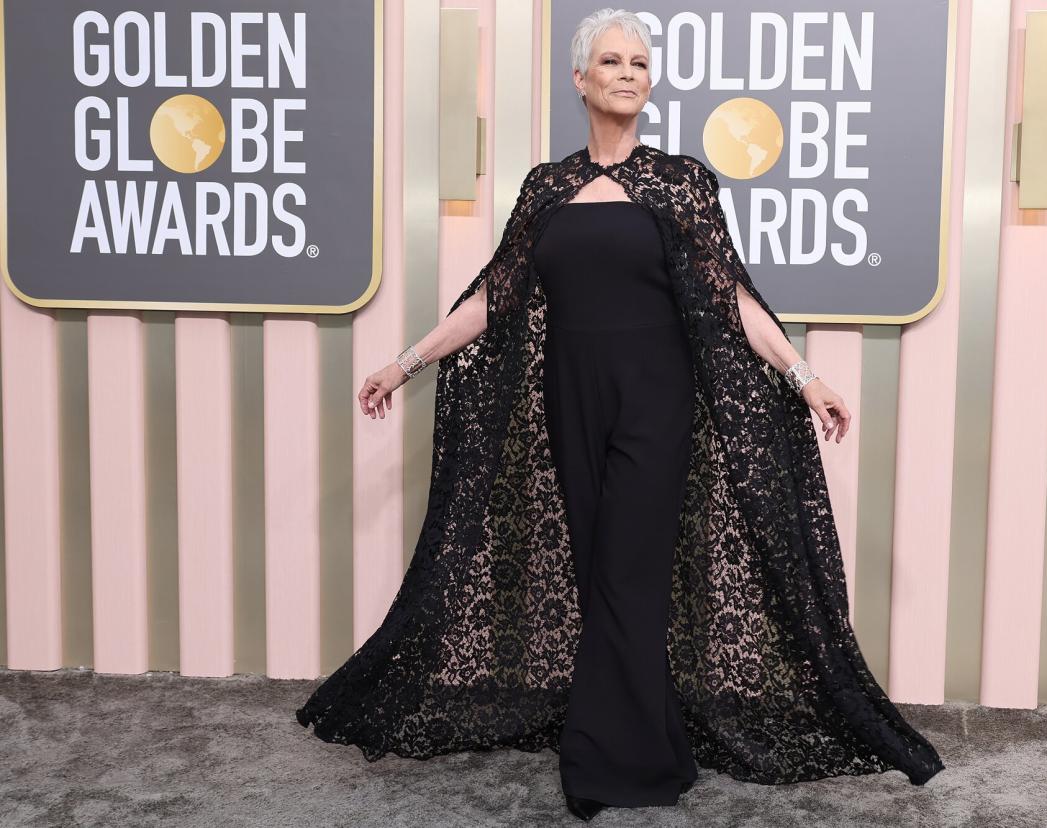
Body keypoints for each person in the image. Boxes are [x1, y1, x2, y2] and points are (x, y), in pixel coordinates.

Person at [296, 8, 945, 823]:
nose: (630, 72)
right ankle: (654, 739)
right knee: (599, 570)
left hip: (655, 405)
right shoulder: (547, 187)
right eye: (612, 60)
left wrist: (804, 375)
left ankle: (607, 759)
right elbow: (496, 297)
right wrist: (405, 362)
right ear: (582, 80)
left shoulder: (679, 182)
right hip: (572, 401)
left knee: (631, 572)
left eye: (641, 61)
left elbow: (730, 298)